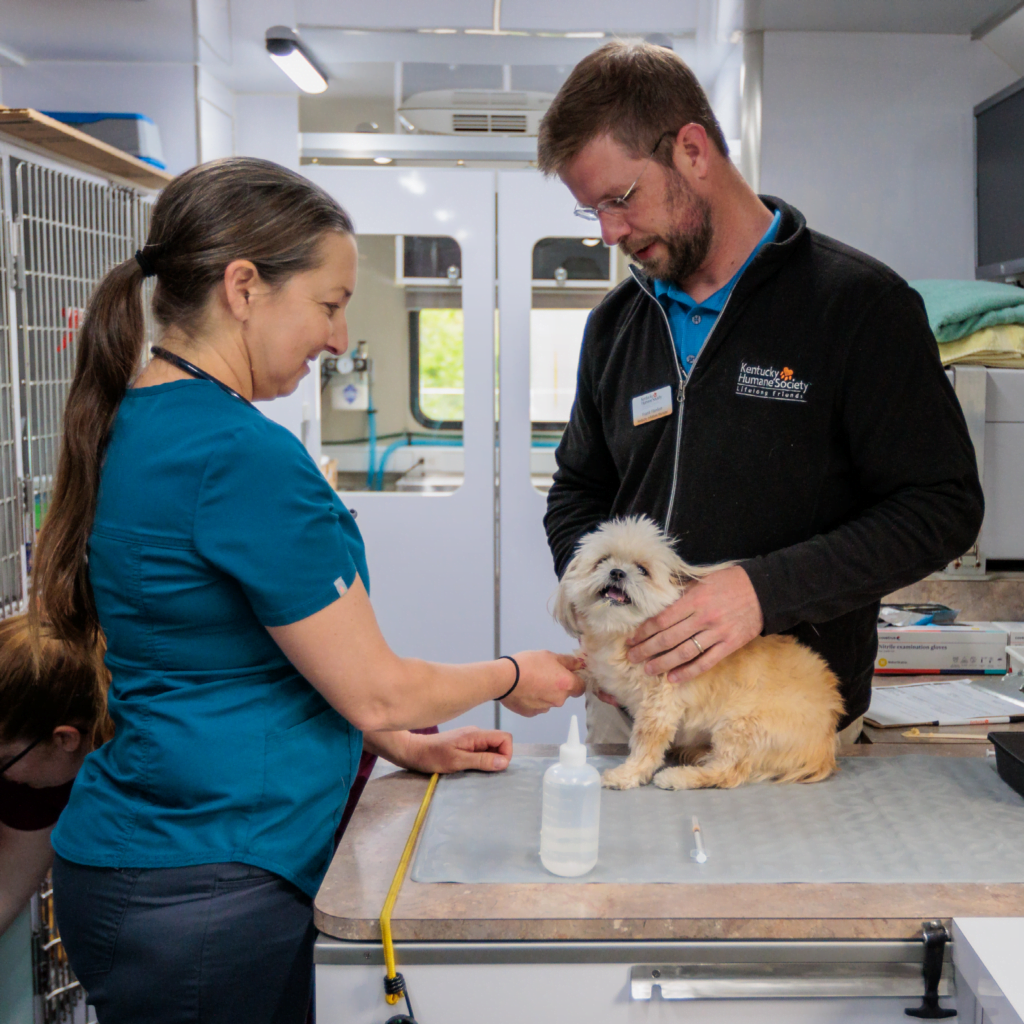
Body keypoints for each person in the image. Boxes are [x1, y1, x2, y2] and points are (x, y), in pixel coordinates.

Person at [31, 157, 583, 1024]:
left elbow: (232, 660)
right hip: (207, 885)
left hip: (148, 861)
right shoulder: (239, 454)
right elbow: (376, 684)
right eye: (328, 305)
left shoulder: (140, 417)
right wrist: (516, 673)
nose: (337, 338)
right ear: (243, 286)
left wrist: (400, 743)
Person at [537, 42, 983, 746]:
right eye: (591, 211)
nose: (610, 233)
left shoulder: (859, 306)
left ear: (692, 149)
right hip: (630, 711)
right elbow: (576, 492)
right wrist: (595, 583)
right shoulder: (615, 325)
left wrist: (763, 592)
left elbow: (942, 506)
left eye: (620, 200)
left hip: (778, 717)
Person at [0, 615, 111, 938]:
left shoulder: (155, 766)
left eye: (4, 760)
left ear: (65, 739)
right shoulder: (33, 775)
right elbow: (6, 890)